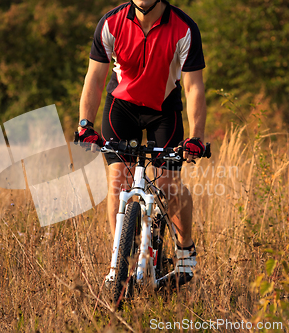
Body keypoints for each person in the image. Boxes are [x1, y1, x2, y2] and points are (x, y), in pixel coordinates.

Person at [75, 0, 207, 285]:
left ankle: (185, 251)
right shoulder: (111, 23)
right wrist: (85, 124)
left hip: (164, 111)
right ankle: (119, 262)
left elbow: (193, 86)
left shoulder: (184, 28)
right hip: (121, 109)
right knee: (118, 182)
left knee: (168, 186)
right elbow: (95, 78)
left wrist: (195, 138)